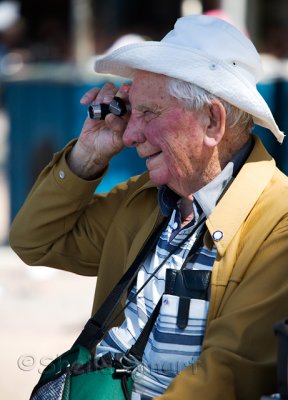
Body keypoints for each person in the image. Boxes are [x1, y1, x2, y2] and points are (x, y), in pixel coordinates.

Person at [9, 15, 288, 400]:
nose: (131, 133)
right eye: (130, 110)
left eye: (149, 113)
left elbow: (225, 375)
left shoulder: (278, 219)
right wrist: (88, 155)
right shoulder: (152, 196)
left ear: (212, 121)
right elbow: (34, 241)